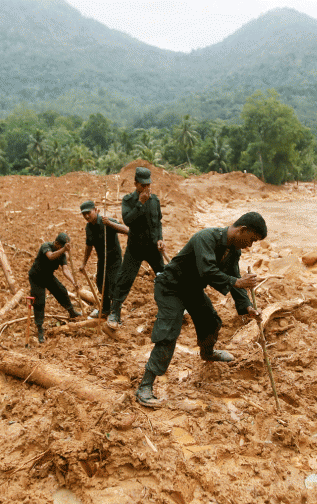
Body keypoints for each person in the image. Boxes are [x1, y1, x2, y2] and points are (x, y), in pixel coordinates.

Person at [135, 212, 267, 409]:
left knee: (210, 321)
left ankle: (208, 352)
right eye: (252, 239)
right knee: (169, 330)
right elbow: (208, 271)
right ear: (242, 230)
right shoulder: (205, 238)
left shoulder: (233, 251)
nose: (250, 245)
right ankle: (145, 385)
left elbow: (233, 279)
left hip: (191, 289)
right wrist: (238, 282)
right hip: (170, 286)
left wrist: (247, 307)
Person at [109, 166, 166, 327]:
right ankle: (115, 313)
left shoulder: (155, 200)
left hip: (153, 248)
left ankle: (170, 309)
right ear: (136, 184)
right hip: (135, 248)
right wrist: (140, 203)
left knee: (163, 277)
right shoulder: (128, 201)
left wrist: (160, 239)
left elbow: (158, 222)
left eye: (148, 185)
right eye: (143, 185)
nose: (146, 188)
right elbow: (128, 220)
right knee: (124, 279)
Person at [79, 200, 128, 323]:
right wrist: (83, 263)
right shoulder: (89, 227)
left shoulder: (106, 221)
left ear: (96, 210)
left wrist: (110, 224)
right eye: (84, 214)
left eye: (88, 213)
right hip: (102, 260)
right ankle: (105, 310)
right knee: (101, 283)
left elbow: (126, 230)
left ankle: (116, 315)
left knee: (113, 286)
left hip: (115, 260)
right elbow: (88, 246)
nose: (86, 216)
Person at [28, 232, 81, 343]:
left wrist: (73, 282)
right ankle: (39, 328)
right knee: (39, 301)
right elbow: (51, 256)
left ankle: (71, 312)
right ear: (56, 243)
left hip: (48, 276)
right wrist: (63, 250)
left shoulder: (62, 254)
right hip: (36, 277)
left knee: (61, 291)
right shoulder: (46, 246)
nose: (64, 249)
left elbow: (65, 269)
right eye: (62, 247)